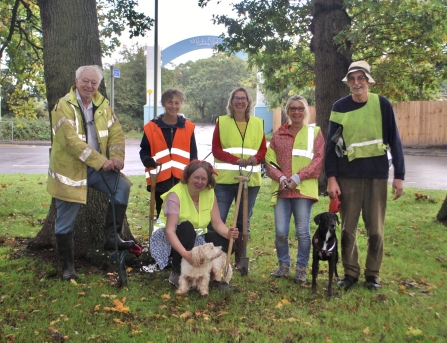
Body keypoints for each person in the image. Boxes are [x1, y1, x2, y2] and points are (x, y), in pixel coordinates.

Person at [47, 65, 136, 281]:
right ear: (76, 82)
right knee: (65, 221)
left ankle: (111, 236)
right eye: (85, 81)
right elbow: (71, 142)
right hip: (71, 172)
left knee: (122, 187)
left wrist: (117, 158)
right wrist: (100, 160)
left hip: (98, 168)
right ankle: (67, 267)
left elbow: (116, 134)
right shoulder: (63, 105)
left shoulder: (103, 105)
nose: (90, 86)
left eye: (94, 82)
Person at [324, 60, 405, 291]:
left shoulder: (382, 104)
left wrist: (399, 175)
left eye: (361, 78)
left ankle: (373, 275)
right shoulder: (339, 107)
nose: (357, 83)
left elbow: (395, 141)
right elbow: (331, 147)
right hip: (347, 176)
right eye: (353, 79)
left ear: (368, 80)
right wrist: (331, 178)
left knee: (376, 230)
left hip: (377, 175)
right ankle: (350, 273)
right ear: (348, 82)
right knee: (348, 229)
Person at [149, 160, 239, 289]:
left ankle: (209, 275)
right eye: (196, 177)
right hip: (167, 238)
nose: (200, 182)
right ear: (188, 177)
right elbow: (169, 231)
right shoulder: (175, 195)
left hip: (195, 237)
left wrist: (228, 233)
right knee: (186, 227)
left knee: (224, 241)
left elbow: (217, 223)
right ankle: (178, 272)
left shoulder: (209, 193)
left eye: (204, 179)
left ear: (208, 181)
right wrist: (186, 254)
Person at [265, 95, 325, 284]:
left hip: (303, 190)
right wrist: (282, 178)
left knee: (302, 232)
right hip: (282, 190)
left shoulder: (314, 133)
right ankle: (283, 266)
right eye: (293, 108)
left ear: (305, 111)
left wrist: (297, 178)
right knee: (281, 232)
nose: (296, 111)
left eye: (300, 108)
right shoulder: (279, 135)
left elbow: (318, 161)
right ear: (287, 111)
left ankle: (301, 269)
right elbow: (269, 161)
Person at [211, 87, 267, 269]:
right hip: (225, 181)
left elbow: (262, 149)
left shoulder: (258, 123)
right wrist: (236, 160)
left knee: (244, 221)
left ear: (248, 102)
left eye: (243, 98)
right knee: (218, 219)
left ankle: (240, 260)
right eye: (236, 98)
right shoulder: (222, 122)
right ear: (231, 102)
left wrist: (255, 159)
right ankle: (216, 258)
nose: (240, 101)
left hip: (250, 181)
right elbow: (217, 149)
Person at [140, 88, 198, 225]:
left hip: (182, 180)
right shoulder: (151, 127)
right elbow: (144, 150)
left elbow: (193, 154)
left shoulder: (188, 127)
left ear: (181, 104)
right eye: (170, 102)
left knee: (182, 216)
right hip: (159, 180)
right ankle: (161, 244)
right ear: (164, 104)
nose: (174, 106)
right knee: (162, 216)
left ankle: (178, 245)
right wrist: (147, 160)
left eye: (177, 103)